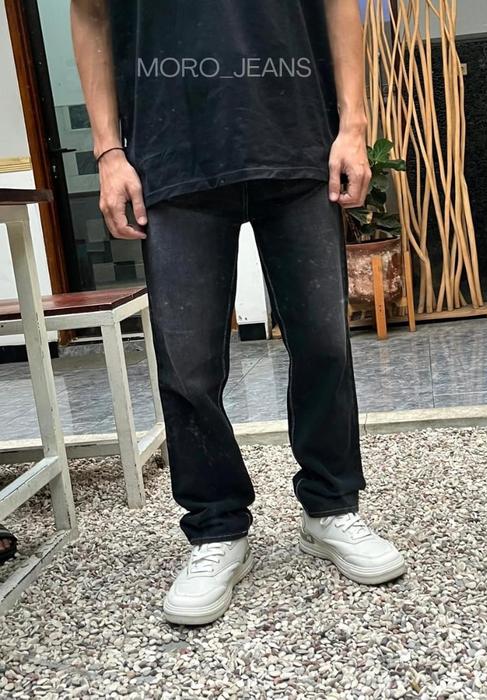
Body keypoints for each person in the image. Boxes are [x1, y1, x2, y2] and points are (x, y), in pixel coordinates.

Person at [71, 0, 406, 625]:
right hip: (170, 150)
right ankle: (217, 529)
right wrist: (109, 153)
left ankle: (331, 508)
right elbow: (89, 13)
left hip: (297, 135)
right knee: (187, 367)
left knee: (324, 343)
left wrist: (354, 125)